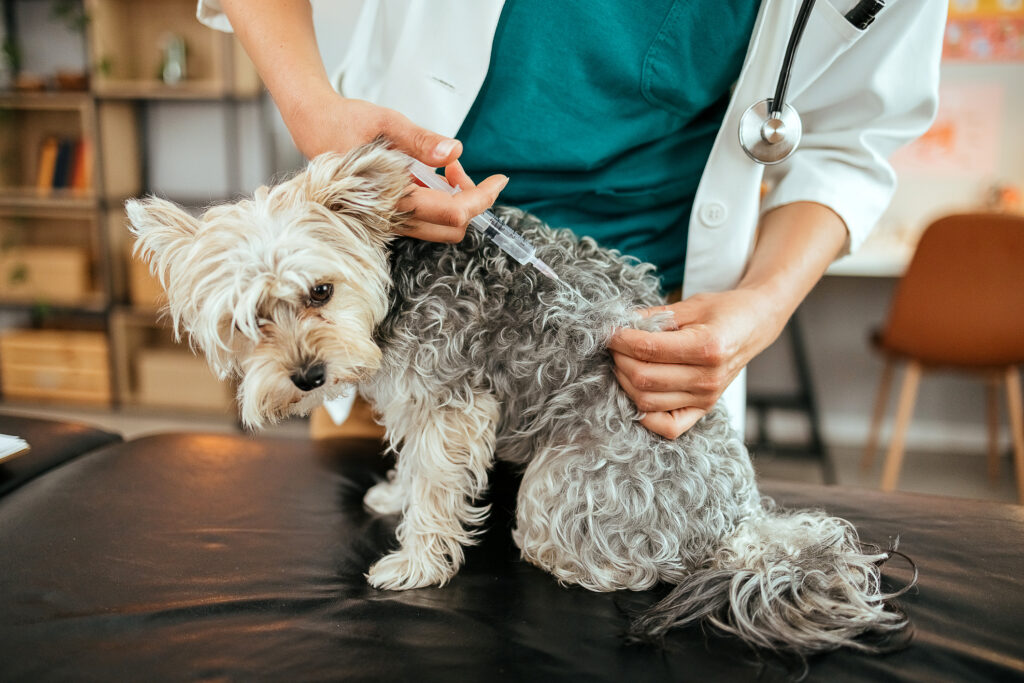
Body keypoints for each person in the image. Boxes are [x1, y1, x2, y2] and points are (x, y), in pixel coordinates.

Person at [198, 0, 946, 439]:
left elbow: (853, 141)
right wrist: (312, 108)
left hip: (638, 360)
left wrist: (762, 303)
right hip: (399, 330)